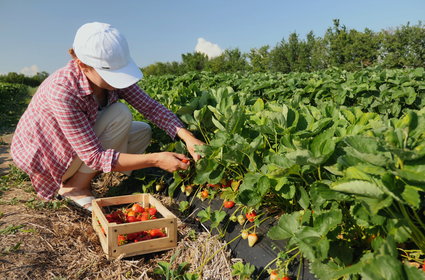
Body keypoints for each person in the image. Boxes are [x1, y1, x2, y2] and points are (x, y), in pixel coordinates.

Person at [10, 22, 204, 212]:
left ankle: (79, 177)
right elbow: (94, 156)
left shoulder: (110, 78)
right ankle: (75, 187)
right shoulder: (63, 91)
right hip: (49, 158)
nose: (118, 81)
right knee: (120, 114)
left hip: (75, 146)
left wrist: (188, 138)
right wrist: (155, 160)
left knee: (142, 131)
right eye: (110, 74)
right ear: (83, 65)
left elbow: (151, 108)